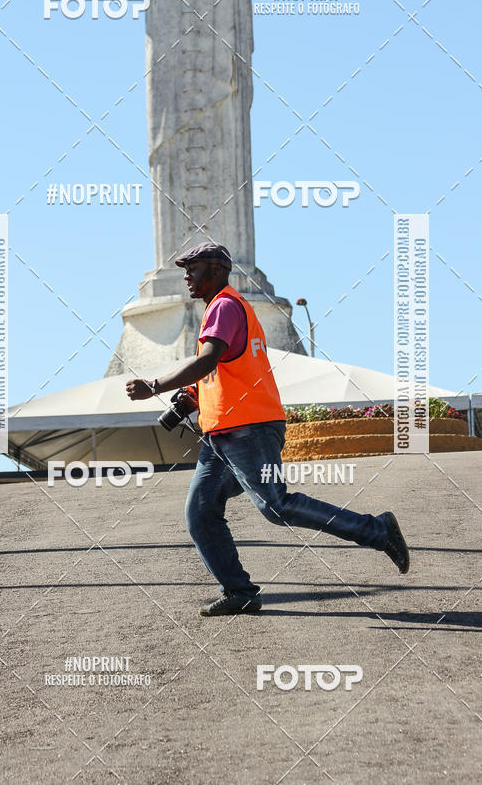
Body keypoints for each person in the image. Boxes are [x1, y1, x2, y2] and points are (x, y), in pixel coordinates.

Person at [126, 242, 410, 617]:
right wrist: (192, 396)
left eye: (192, 269)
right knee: (201, 512)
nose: (186, 277)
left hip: (249, 429)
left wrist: (155, 386)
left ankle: (377, 530)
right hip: (223, 435)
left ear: (215, 270)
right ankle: (239, 592)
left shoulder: (225, 306)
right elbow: (221, 369)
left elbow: (209, 358)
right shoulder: (224, 309)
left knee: (277, 505)